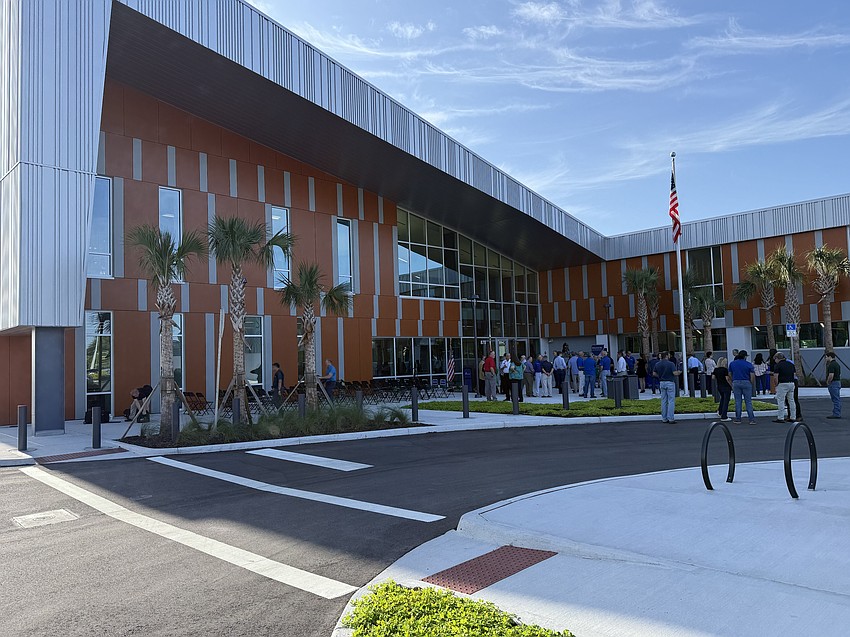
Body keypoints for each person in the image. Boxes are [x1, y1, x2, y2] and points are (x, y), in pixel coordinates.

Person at [728, 350, 756, 424]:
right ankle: (751, 419)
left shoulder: (732, 364)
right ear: (745, 356)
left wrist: (733, 380)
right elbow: (752, 376)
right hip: (746, 382)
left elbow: (730, 374)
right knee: (748, 401)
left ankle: (738, 419)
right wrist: (751, 383)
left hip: (736, 382)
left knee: (738, 401)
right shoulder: (749, 364)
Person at [653, 351, 680, 423]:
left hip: (661, 382)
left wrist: (660, 376)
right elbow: (674, 373)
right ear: (667, 356)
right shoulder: (671, 364)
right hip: (670, 382)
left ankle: (664, 418)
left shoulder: (657, 364)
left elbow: (654, 373)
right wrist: (679, 372)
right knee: (671, 401)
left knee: (663, 400)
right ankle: (671, 418)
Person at [772, 352, 797, 423]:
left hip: (782, 384)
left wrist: (776, 385)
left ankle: (780, 417)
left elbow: (775, 377)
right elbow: (794, 374)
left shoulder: (778, 365)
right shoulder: (791, 364)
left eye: (775, 359)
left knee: (781, 401)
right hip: (791, 383)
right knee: (791, 400)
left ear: (777, 358)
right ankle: (793, 417)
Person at [712, 357, 732, 422]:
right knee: (726, 401)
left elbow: (713, 377)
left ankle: (720, 411)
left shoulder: (716, 369)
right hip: (726, 386)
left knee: (722, 399)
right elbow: (727, 379)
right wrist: (731, 385)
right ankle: (724, 416)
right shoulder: (725, 370)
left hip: (719, 386)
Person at [826, 351, 842, 419]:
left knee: (835, 399)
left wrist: (828, 381)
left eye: (826, 357)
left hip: (834, 383)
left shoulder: (831, 365)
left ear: (830, 357)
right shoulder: (837, 364)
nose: (826, 358)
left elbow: (831, 375)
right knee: (837, 398)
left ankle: (836, 413)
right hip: (837, 382)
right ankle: (837, 412)